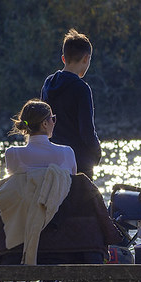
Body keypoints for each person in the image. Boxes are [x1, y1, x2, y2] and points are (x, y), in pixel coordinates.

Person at [0, 99, 121, 270]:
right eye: (53, 119)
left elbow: (19, 188)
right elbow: (71, 190)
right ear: (45, 123)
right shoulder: (66, 152)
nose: (54, 123)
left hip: (27, 224)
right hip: (63, 226)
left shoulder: (12, 154)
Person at [40, 28, 101, 178]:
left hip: (52, 160)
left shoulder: (48, 83)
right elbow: (87, 130)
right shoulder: (81, 88)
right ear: (86, 58)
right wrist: (97, 152)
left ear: (63, 58)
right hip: (78, 161)